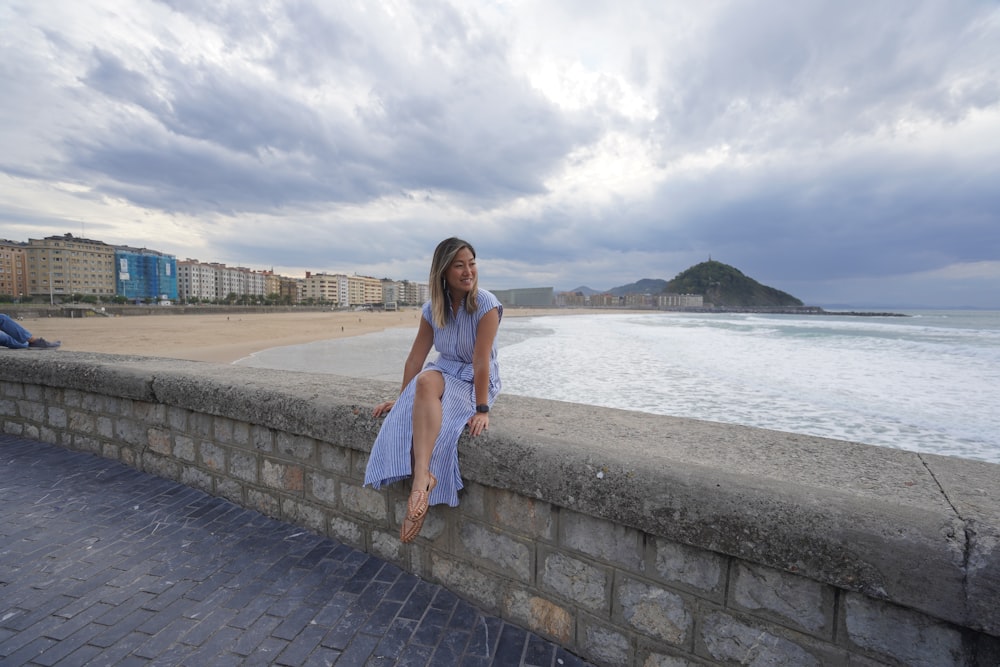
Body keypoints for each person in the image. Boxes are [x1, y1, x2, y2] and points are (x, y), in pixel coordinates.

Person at [364, 237, 502, 543]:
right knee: (425, 380)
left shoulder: (486, 306)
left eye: (472, 263)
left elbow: (481, 362)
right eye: (459, 265)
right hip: (443, 371)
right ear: (443, 271)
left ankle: (419, 483)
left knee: (431, 386)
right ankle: (422, 479)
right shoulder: (432, 309)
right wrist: (402, 401)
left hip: (473, 379)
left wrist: (482, 409)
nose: (469, 271)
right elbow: (416, 357)